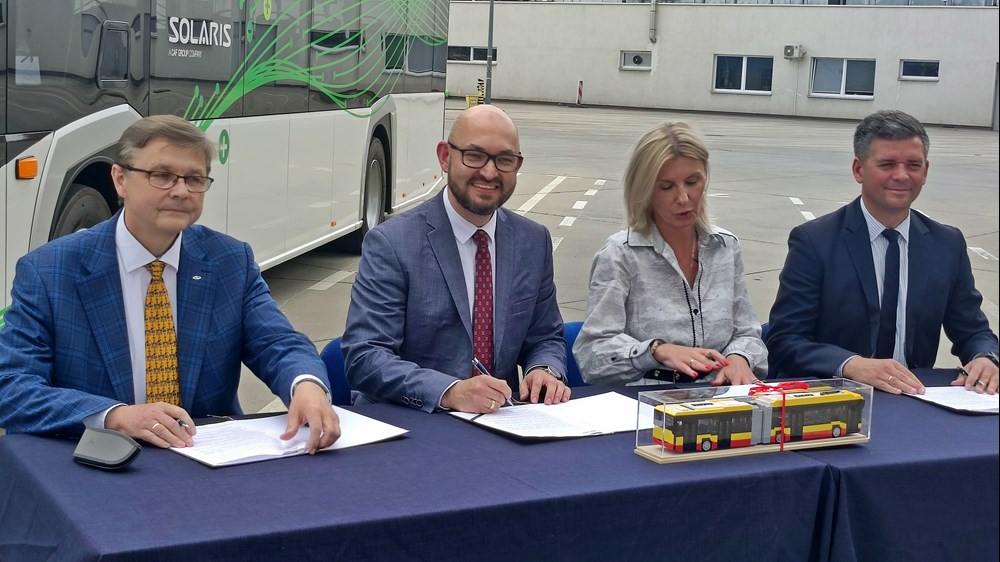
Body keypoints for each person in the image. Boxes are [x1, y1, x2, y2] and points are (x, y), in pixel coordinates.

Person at [0, 115, 340, 453]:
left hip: (208, 455)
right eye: (162, 176)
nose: (181, 191)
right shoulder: (50, 270)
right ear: (120, 179)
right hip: (98, 458)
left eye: (194, 179)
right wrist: (114, 416)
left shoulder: (229, 261)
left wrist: (305, 385)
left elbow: (277, 343)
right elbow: (13, 386)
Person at [342, 104, 570, 413]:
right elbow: (366, 357)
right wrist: (449, 392)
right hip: (414, 421)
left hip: (501, 421)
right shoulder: (392, 243)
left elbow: (546, 337)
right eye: (474, 156)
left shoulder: (533, 241)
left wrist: (544, 369)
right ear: (445, 157)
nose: (489, 172)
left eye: (504, 160)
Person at [765, 110, 999, 395]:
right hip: (838, 395)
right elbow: (784, 341)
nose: (901, 175)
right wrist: (850, 364)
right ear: (859, 170)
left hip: (914, 396)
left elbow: (972, 330)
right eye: (887, 164)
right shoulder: (814, 241)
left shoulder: (947, 244)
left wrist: (985, 357)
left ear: (925, 171)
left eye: (913, 165)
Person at [573, 121, 767, 386]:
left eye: (692, 182)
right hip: (647, 400)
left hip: (719, 398)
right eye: (667, 187)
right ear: (644, 191)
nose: (684, 198)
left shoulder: (725, 247)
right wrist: (656, 351)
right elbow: (591, 356)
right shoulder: (620, 254)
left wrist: (739, 357)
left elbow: (748, 333)